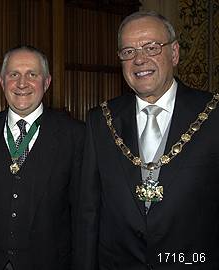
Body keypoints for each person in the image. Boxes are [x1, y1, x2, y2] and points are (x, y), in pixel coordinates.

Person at [75, 10, 219, 270]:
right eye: (128, 52)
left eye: (151, 47)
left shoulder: (213, 115)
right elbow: (88, 213)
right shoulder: (100, 120)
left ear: (174, 53)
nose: (139, 59)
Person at [0, 45, 84, 270]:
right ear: (1, 82)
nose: (21, 83)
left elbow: (82, 213)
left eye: (32, 74)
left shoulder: (75, 135)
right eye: (14, 74)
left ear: (46, 83)